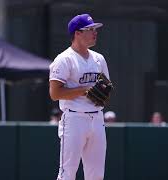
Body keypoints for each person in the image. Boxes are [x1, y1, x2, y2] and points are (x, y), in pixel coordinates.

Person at [49, 13, 109, 180]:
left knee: (96, 175)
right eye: (90, 29)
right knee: (67, 173)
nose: (95, 32)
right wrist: (84, 90)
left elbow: (105, 88)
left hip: (97, 118)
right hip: (74, 119)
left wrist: (103, 93)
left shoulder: (99, 59)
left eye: (95, 29)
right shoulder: (64, 59)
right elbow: (54, 94)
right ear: (77, 33)